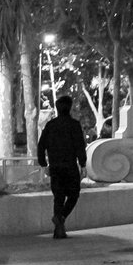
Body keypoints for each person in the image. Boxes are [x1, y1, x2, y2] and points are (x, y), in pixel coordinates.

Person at [36, 95, 89, 239]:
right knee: (73, 195)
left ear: (57, 109)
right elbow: (80, 146)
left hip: (55, 167)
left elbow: (41, 146)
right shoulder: (74, 125)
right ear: (70, 107)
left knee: (58, 197)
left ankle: (59, 223)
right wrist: (83, 164)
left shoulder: (50, 125)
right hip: (70, 167)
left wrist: (43, 164)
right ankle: (61, 218)